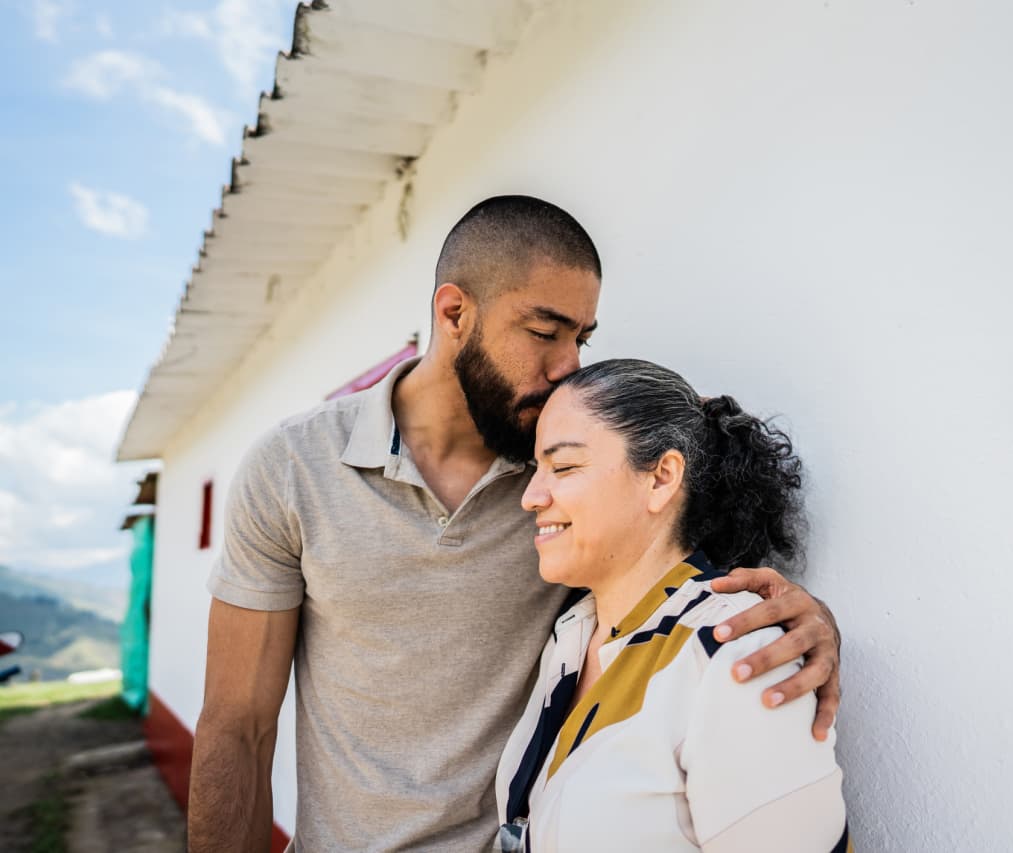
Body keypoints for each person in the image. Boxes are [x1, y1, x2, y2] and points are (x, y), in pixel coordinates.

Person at [188, 196, 842, 852]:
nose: (567, 365)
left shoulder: (575, 476)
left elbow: (681, 518)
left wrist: (802, 617)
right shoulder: (292, 467)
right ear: (454, 313)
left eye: (581, 338)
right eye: (544, 331)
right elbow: (237, 726)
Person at [496, 359, 850, 852]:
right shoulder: (572, 635)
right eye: (538, 469)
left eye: (565, 466)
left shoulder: (735, 652)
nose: (531, 497)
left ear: (662, 478)